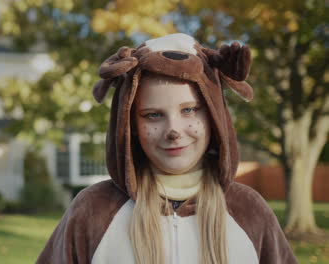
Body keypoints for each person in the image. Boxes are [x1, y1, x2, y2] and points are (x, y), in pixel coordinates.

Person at [36, 33, 297, 264]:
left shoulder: (249, 210)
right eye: (153, 115)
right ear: (132, 124)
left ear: (213, 116)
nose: (174, 130)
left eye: (189, 110)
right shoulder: (93, 210)